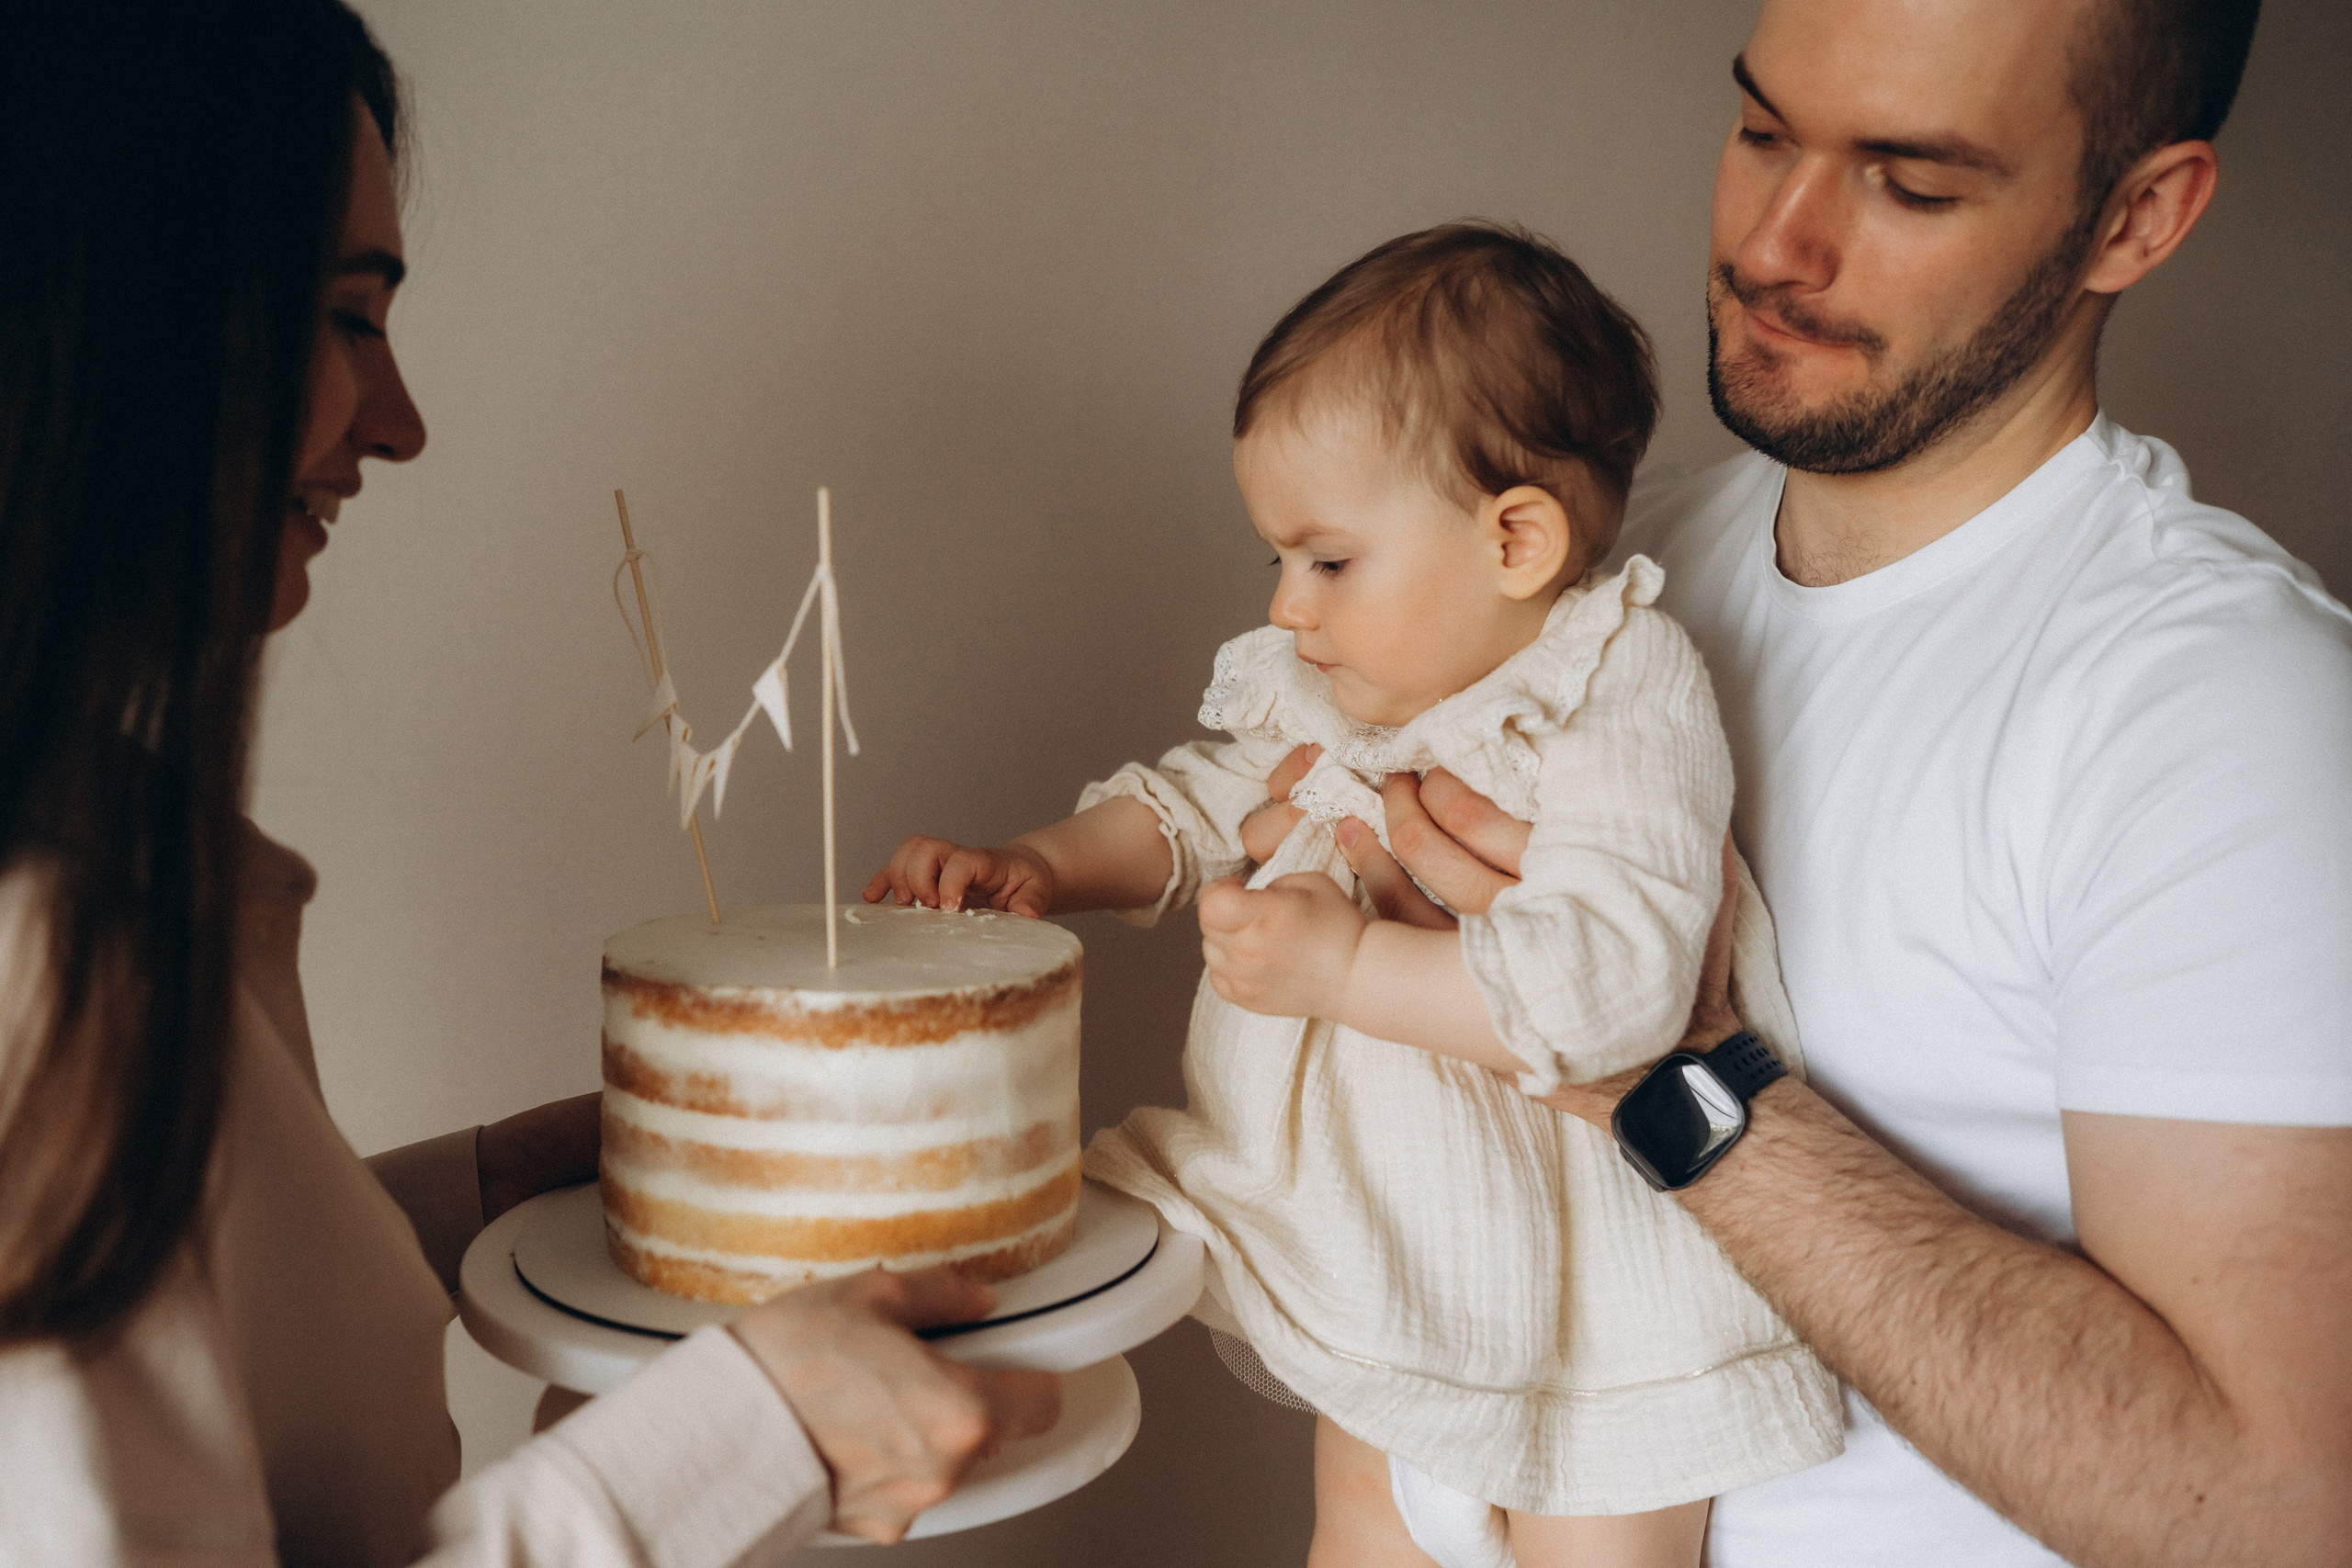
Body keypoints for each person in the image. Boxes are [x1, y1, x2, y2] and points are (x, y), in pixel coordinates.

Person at [1250, 0, 2352, 1563]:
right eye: (1765, 130)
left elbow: (2272, 1515)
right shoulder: (1611, 577)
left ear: (2137, 217)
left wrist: (1671, 1075)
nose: (1776, 242)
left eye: (1909, 181)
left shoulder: (2220, 709)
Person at [0, 3, 1055, 1562]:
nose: (403, 423)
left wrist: (474, 1192)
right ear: (114, 312)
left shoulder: (95, 832)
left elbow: (171, 1338)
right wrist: (740, 1439)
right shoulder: (32, 964)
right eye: (350, 318)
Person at [865, 223, 1841, 1568]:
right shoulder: (1336, 688)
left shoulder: (1617, 683)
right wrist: (1045, 865)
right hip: (1387, 1244)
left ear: (1515, 540)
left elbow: (1614, 984)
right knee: (1359, 1537)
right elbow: (1202, 799)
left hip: (1613, 1292)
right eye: (1279, 558)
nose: (1288, 606)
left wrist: (1345, 976)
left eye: (1326, 560)